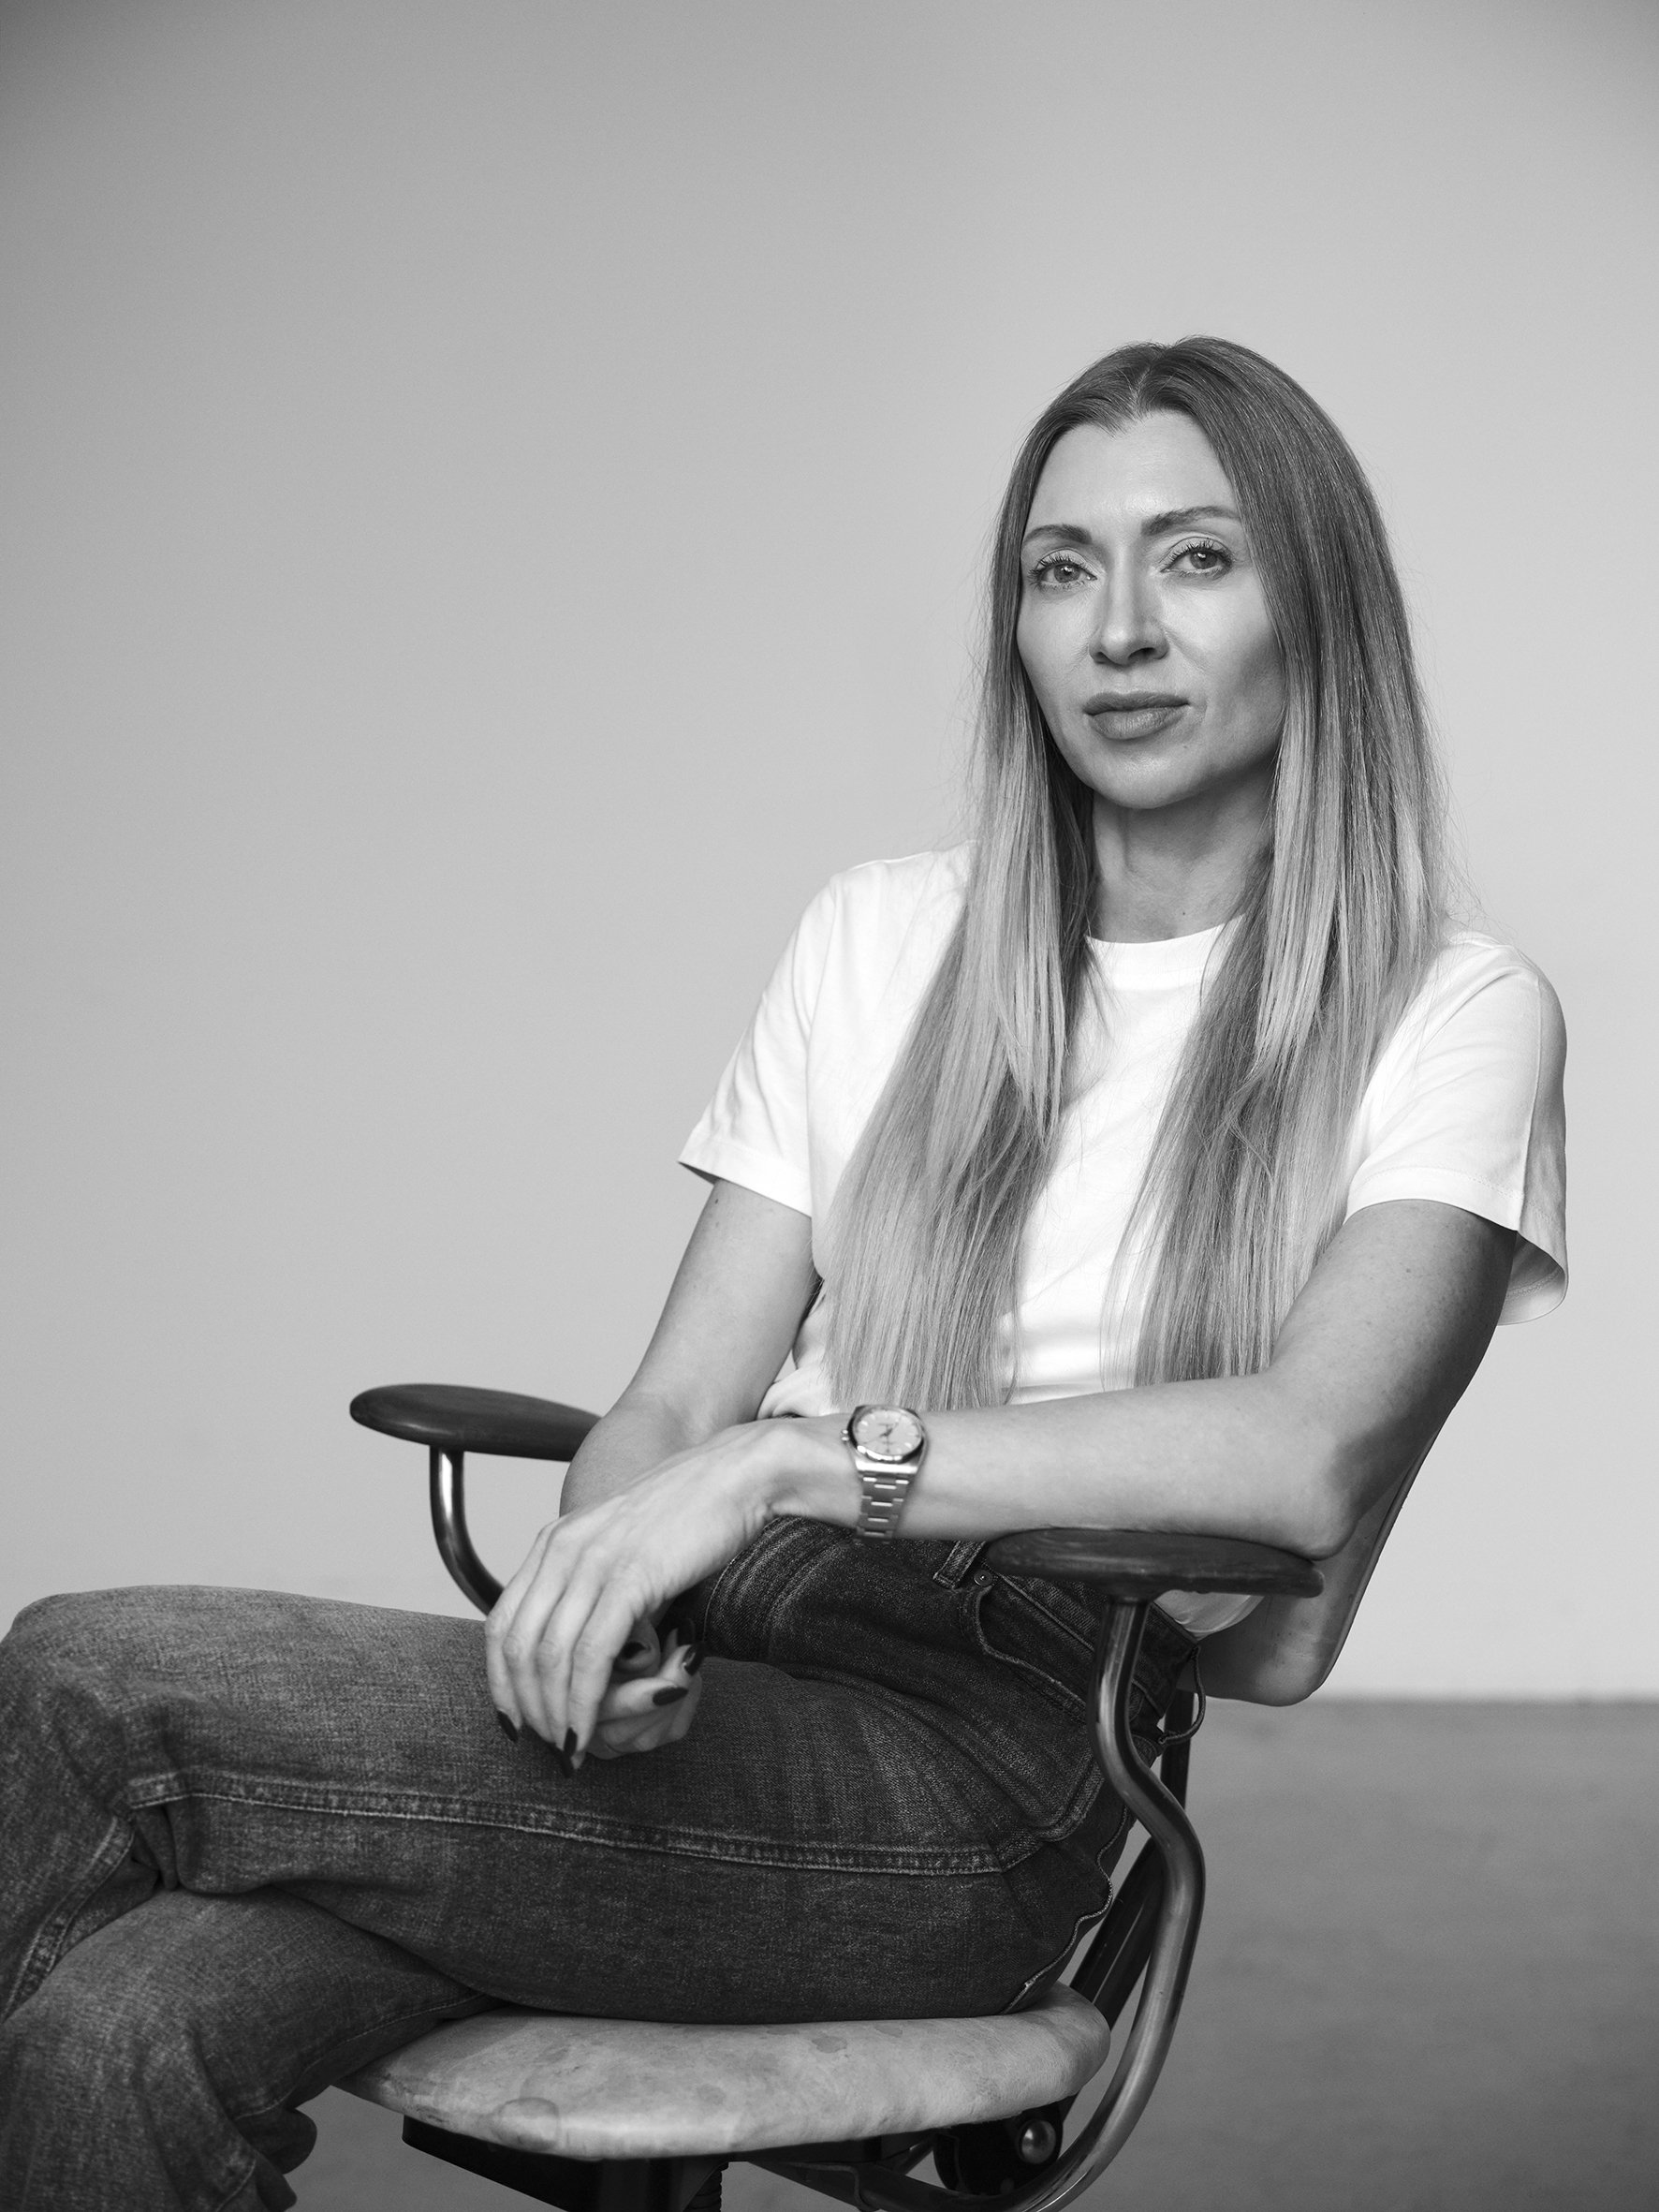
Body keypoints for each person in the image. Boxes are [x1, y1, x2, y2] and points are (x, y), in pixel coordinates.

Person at [0, 337, 1566, 2211]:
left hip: (997, 1767)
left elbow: (1303, 1457)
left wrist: (790, 1462)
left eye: (1196, 557)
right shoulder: (883, 934)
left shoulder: (1446, 1010)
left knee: (91, 1671)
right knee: (122, 2018)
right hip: (727, 1682)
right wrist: (627, 1601)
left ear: (1318, 599)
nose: (1119, 627)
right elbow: (669, 1404)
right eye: (1061, 568)